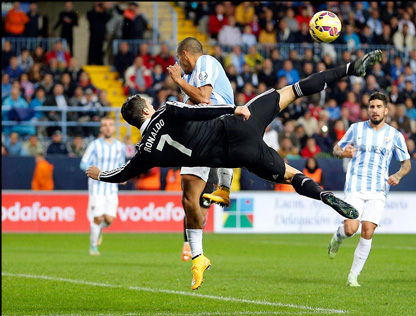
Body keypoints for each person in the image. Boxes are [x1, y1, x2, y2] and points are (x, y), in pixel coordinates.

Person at [86, 49, 382, 290]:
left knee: (289, 175)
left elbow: (122, 174)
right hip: (238, 126)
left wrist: (100, 174)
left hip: (235, 156)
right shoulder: (166, 111)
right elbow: (200, 107)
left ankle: (319, 195)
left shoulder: (145, 152)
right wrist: (232, 109)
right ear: (148, 110)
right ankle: (349, 69)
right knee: (294, 90)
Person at [327, 91, 412, 287]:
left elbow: (406, 164)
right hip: (355, 185)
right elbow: (336, 149)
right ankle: (338, 237)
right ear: (368, 109)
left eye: (379, 107)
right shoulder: (356, 129)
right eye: (372, 106)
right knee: (351, 229)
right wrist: (342, 153)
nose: (375, 110)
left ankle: (353, 277)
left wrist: (398, 175)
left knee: (367, 231)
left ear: (386, 110)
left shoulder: (395, 135)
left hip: (378, 189)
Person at [166, 37, 236, 262]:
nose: (179, 64)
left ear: (185, 54)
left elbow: (204, 98)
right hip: (202, 134)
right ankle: (194, 251)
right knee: (188, 198)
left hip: (219, 123)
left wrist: (178, 81)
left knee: (200, 200)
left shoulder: (205, 61)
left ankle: (224, 184)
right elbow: (192, 105)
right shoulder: (188, 78)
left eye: (179, 58)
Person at [80, 116, 126, 256]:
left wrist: (123, 176)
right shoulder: (94, 145)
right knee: (97, 217)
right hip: (96, 189)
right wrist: (93, 172)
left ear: (113, 128)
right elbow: (83, 163)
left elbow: (121, 165)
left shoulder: (120, 146)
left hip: (112, 189)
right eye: (105, 125)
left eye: (110, 125)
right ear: (101, 128)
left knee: (108, 219)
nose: (107, 127)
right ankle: (93, 247)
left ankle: (98, 230)